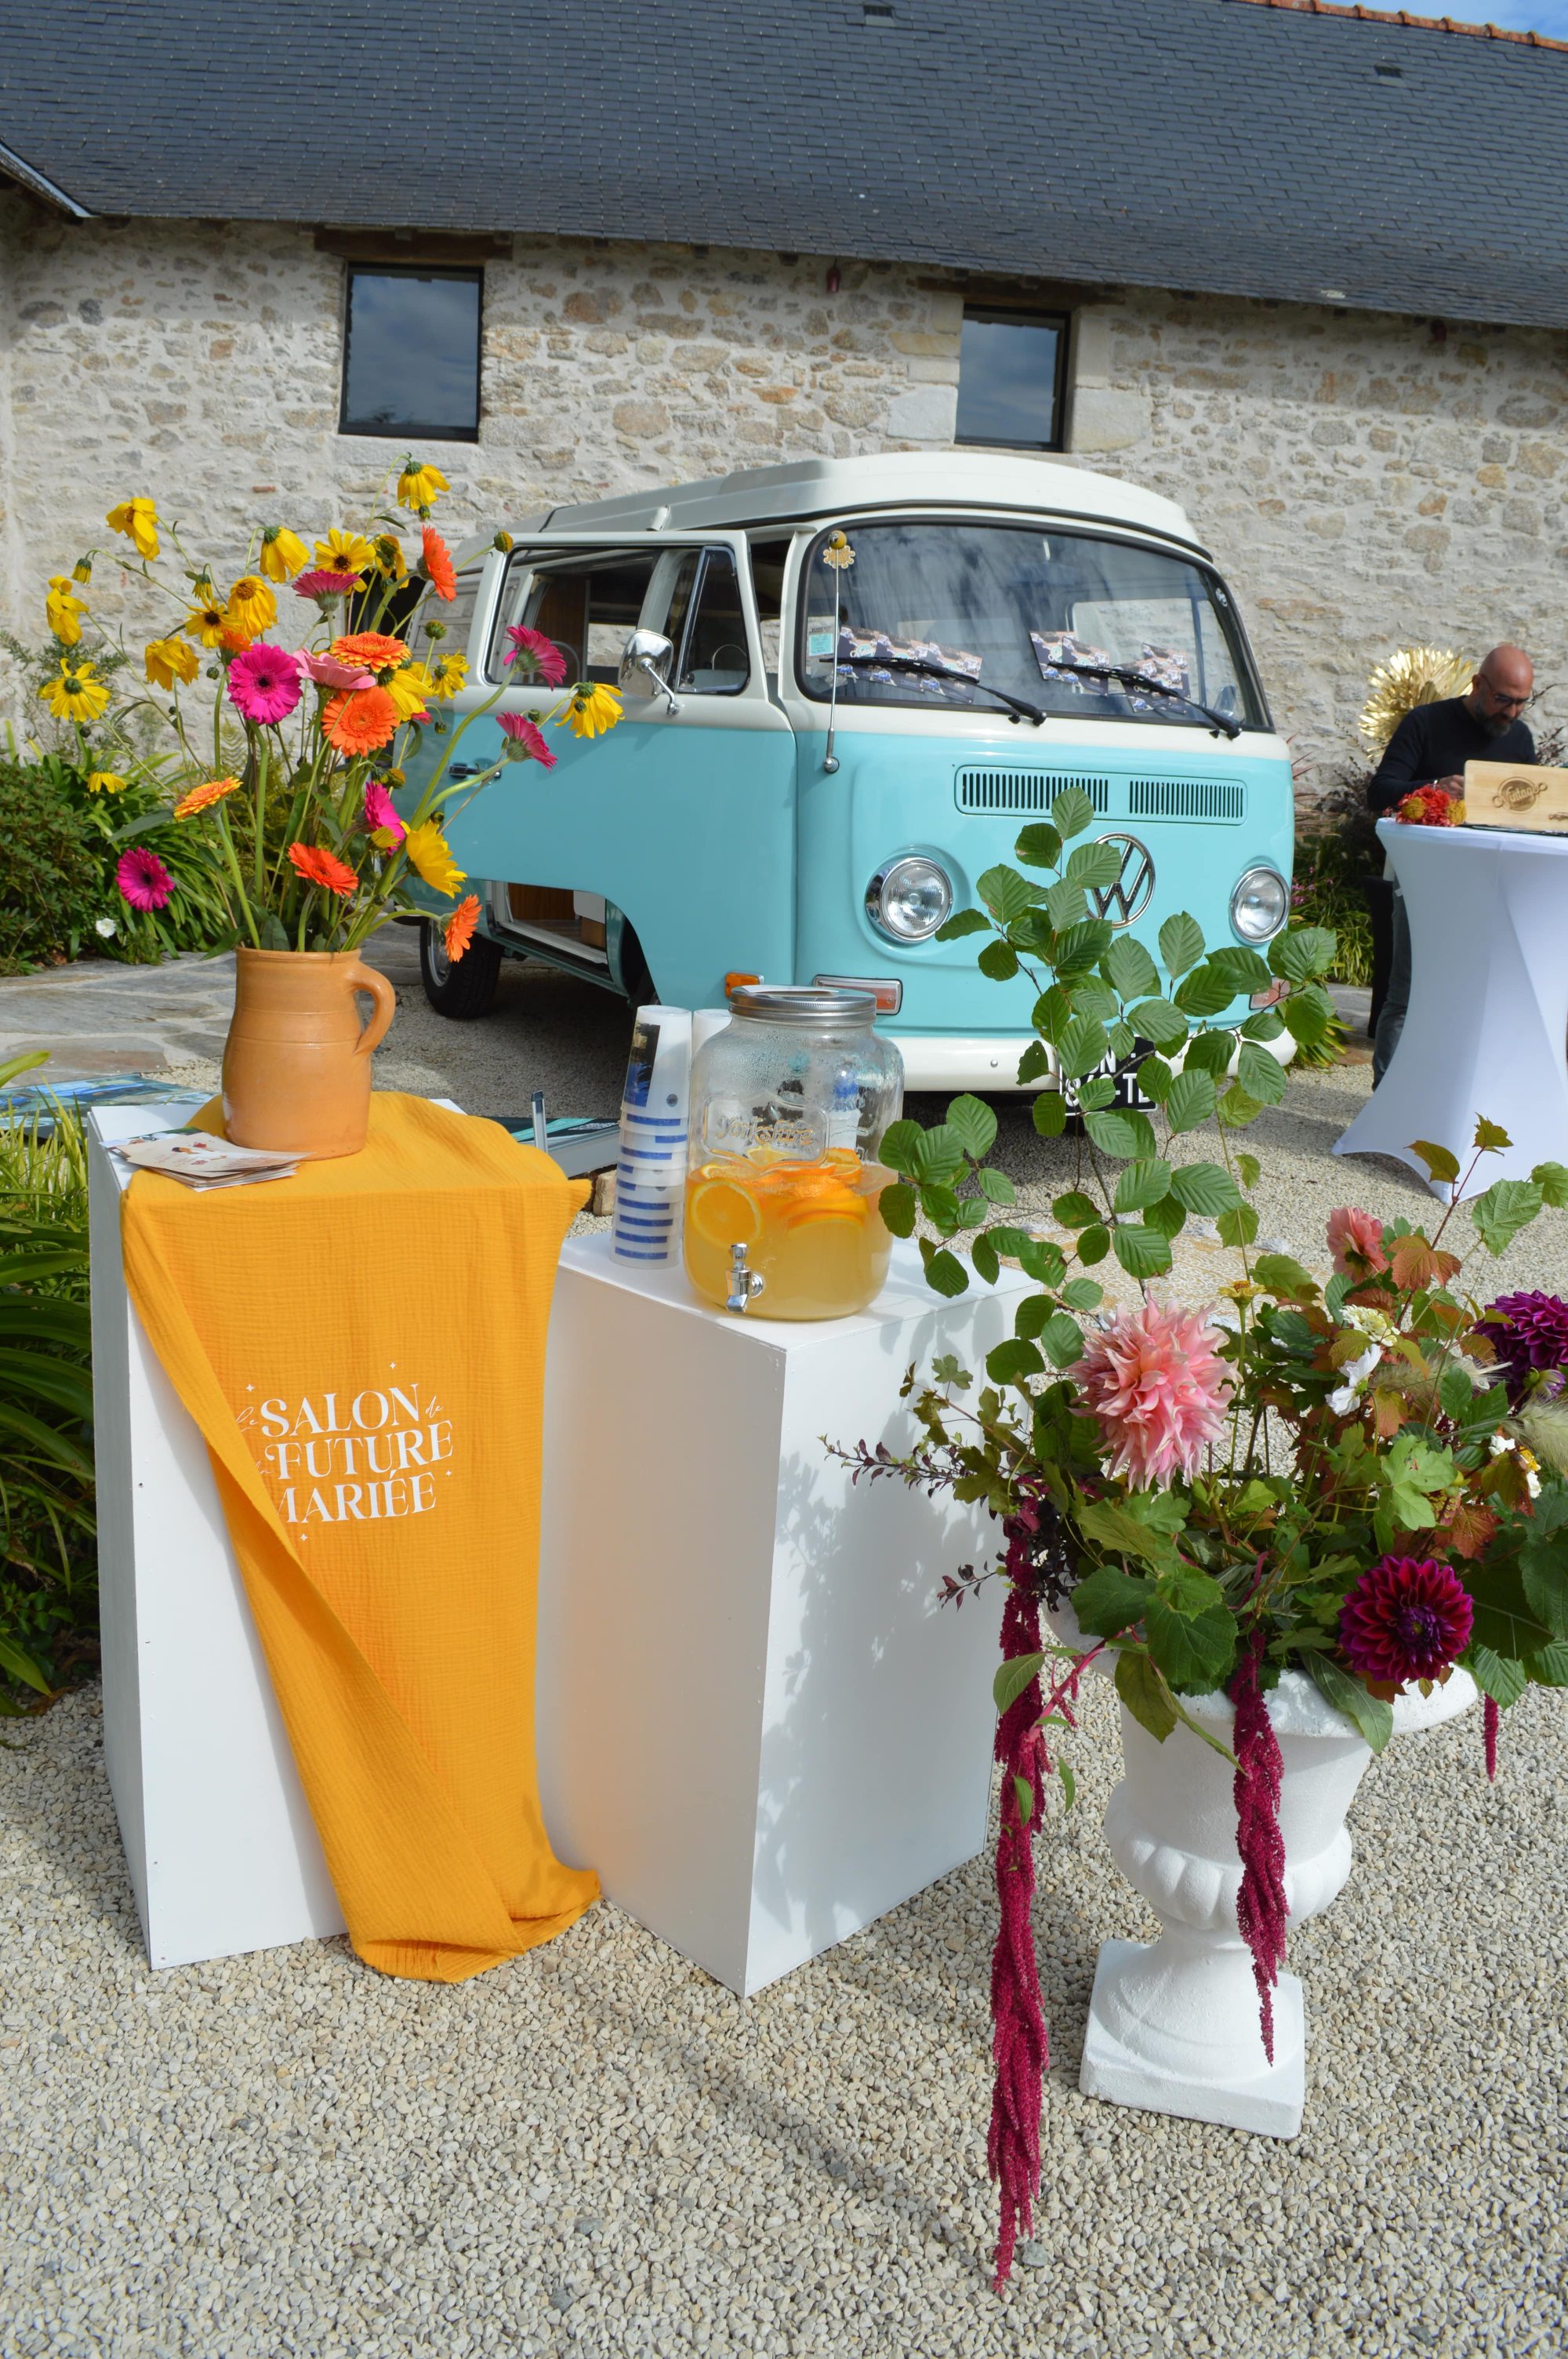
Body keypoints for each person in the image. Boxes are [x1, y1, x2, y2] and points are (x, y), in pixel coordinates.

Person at [1368, 645, 1536, 1083]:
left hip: (1493, 886)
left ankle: (1453, 1094)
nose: (1512, 713)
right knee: (1407, 993)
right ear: (1477, 684)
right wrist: (1434, 787)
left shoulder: (1520, 739)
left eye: (1522, 702)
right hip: (1422, 881)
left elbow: (1531, 817)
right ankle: (1388, 1098)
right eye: (1503, 699)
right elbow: (1379, 792)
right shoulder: (1424, 723)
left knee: (1476, 996)